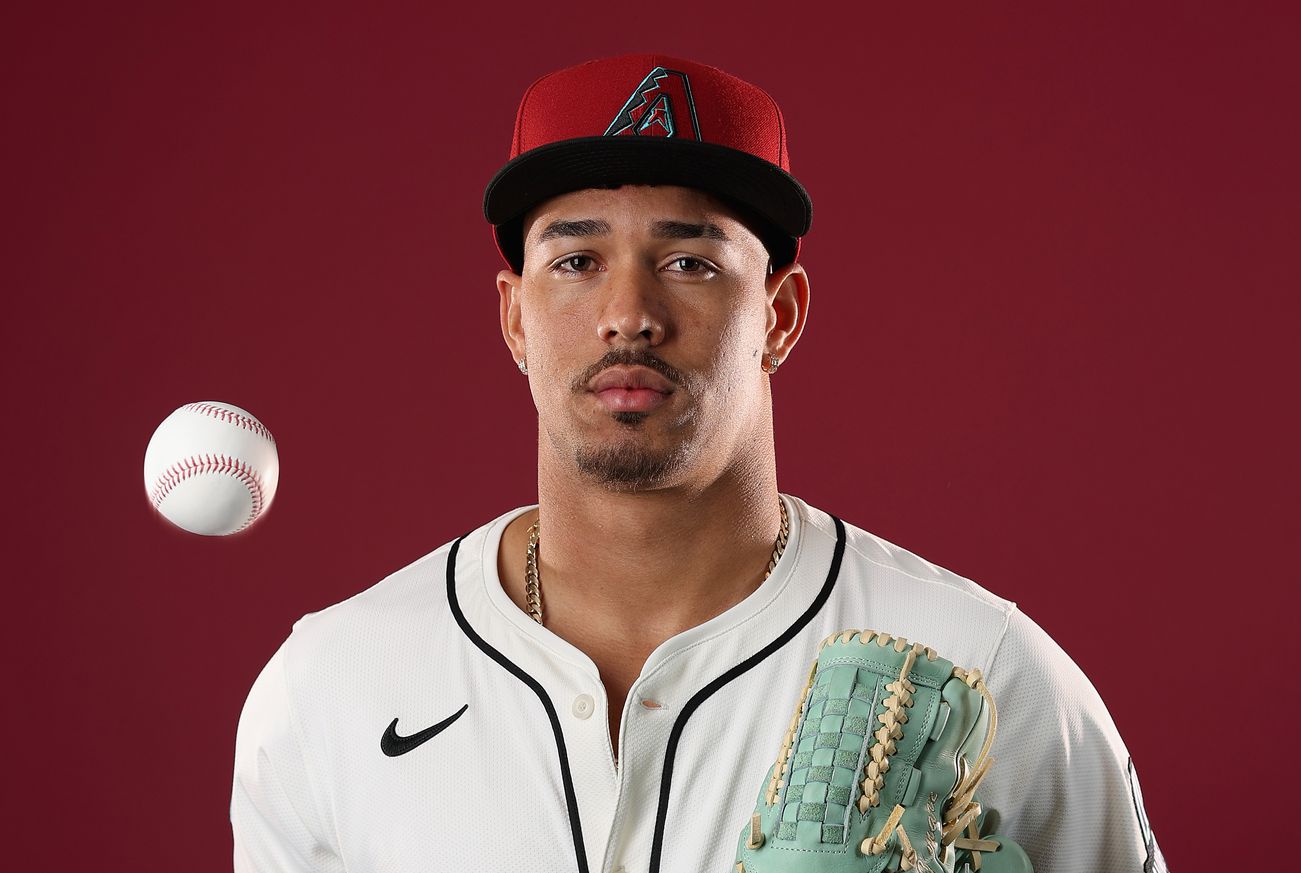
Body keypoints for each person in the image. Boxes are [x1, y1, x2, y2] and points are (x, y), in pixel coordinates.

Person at [231, 53, 1165, 873]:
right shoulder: (332, 686)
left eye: (690, 262)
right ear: (515, 316)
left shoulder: (981, 670)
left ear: (781, 314)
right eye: (576, 259)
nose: (628, 311)